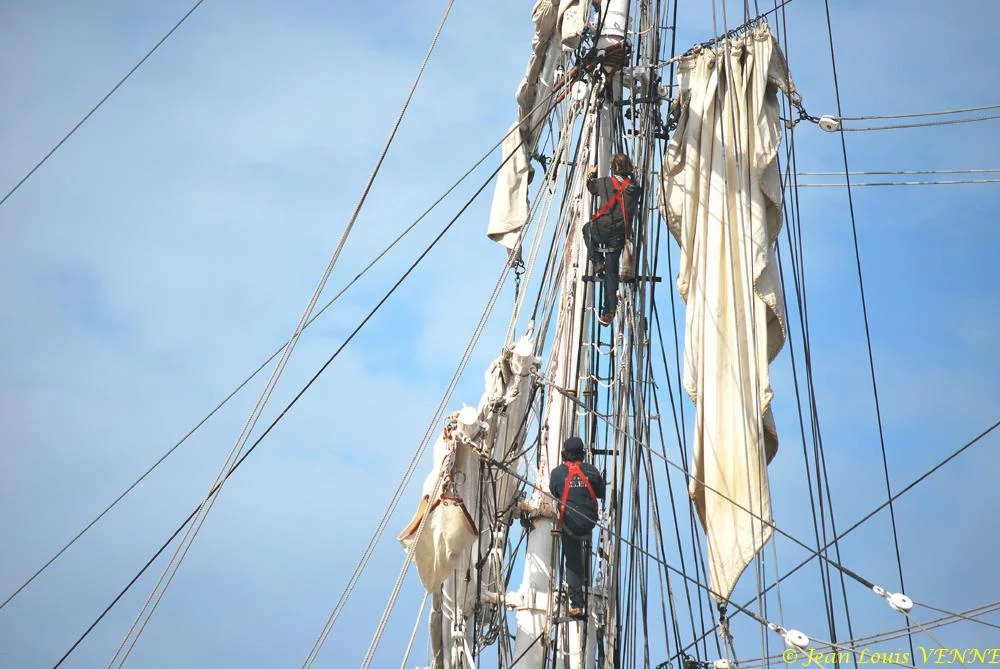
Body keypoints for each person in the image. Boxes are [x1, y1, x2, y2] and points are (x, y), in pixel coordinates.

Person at [549, 436, 606, 618]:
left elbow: (555, 491)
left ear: (564, 454)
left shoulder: (557, 473)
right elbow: (601, 492)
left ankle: (577, 604)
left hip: (570, 523)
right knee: (581, 539)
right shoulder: (591, 471)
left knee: (572, 560)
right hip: (589, 521)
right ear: (582, 454)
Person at [583, 153, 642, 326]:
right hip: (618, 236)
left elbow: (590, 186)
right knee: (611, 273)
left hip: (600, 229)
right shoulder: (634, 188)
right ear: (629, 168)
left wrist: (591, 174)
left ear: (613, 168)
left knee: (587, 229)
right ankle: (609, 311)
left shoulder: (603, 182)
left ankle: (596, 260)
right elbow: (633, 192)